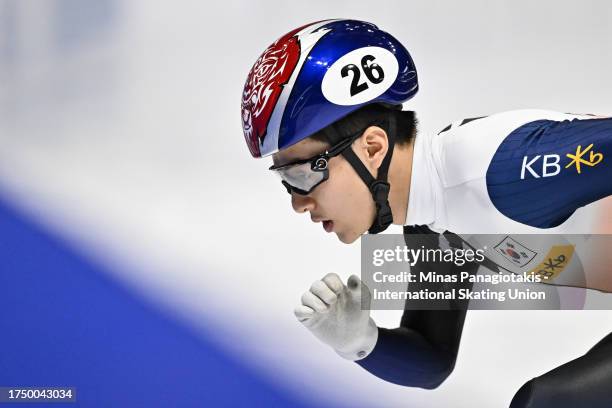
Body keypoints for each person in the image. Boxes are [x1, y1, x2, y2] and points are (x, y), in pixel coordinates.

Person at [240, 19, 612, 406]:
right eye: (286, 180)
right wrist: (360, 341)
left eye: (302, 173)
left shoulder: (502, 169)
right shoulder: (434, 226)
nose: (298, 202)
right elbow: (432, 359)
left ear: (372, 148)